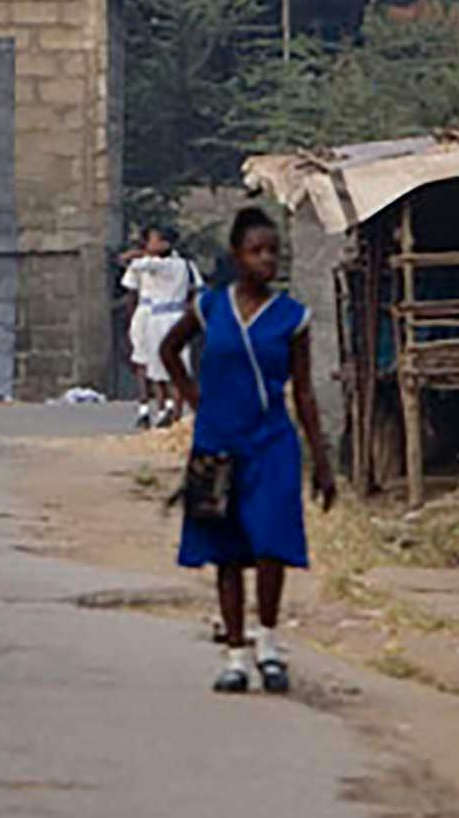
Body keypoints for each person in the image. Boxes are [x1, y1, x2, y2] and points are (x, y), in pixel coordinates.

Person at [158, 207, 335, 696]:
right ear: (236, 256)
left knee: (272, 541)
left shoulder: (292, 318)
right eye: (257, 251)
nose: (268, 260)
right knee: (226, 549)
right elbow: (169, 351)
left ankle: (269, 643)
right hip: (216, 442)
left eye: (274, 250)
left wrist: (321, 461)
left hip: (272, 443)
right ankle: (235, 653)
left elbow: (303, 393)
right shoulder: (210, 308)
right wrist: (193, 398)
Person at [121, 225, 201, 430]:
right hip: (153, 315)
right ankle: (161, 408)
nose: (148, 244)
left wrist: (138, 253)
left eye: (154, 240)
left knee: (172, 365)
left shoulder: (173, 264)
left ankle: (174, 411)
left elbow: (132, 261)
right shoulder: (159, 264)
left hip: (168, 315)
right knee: (154, 365)